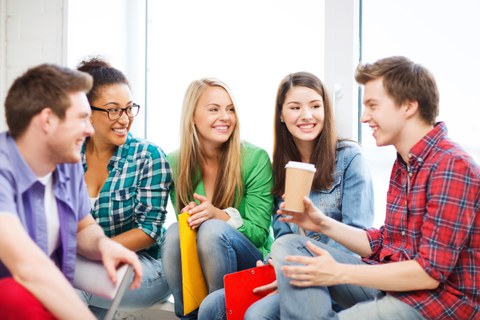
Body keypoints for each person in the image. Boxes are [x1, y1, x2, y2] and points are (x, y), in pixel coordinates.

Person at [272, 56, 480, 320]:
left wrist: (337, 271)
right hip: (398, 287)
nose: (364, 117)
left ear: (408, 106)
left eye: (372, 105)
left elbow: (428, 273)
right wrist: (321, 223)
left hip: (437, 303)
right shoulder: (405, 163)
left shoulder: (452, 166)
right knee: (290, 246)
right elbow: (385, 242)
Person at [200, 71, 375, 319]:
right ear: (281, 115)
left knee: (257, 315)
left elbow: (356, 238)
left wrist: (291, 272)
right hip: (291, 269)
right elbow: (281, 235)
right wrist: (275, 265)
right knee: (212, 307)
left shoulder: (349, 158)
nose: (306, 115)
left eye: (315, 106)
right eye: (295, 107)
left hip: (334, 274)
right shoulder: (281, 167)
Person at [0, 64, 142, 320]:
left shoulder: (68, 165)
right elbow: (26, 267)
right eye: (81, 118)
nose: (89, 130)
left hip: (40, 297)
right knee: (12, 293)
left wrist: (102, 245)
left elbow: (83, 227)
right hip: (16, 300)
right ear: (47, 120)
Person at [163, 77, 274, 319]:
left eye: (230, 109)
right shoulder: (174, 163)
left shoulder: (255, 159)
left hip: (252, 263)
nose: (226, 117)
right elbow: (185, 240)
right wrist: (189, 217)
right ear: (192, 116)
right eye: (214, 109)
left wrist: (219, 215)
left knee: (213, 230)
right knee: (173, 234)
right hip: (204, 262)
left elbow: (259, 234)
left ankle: (220, 313)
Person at [75, 58, 172, 317]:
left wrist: (90, 250)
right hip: (83, 263)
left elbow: (148, 231)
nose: (125, 119)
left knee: (66, 281)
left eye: (129, 108)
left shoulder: (148, 156)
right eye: (113, 110)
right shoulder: (70, 155)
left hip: (144, 268)